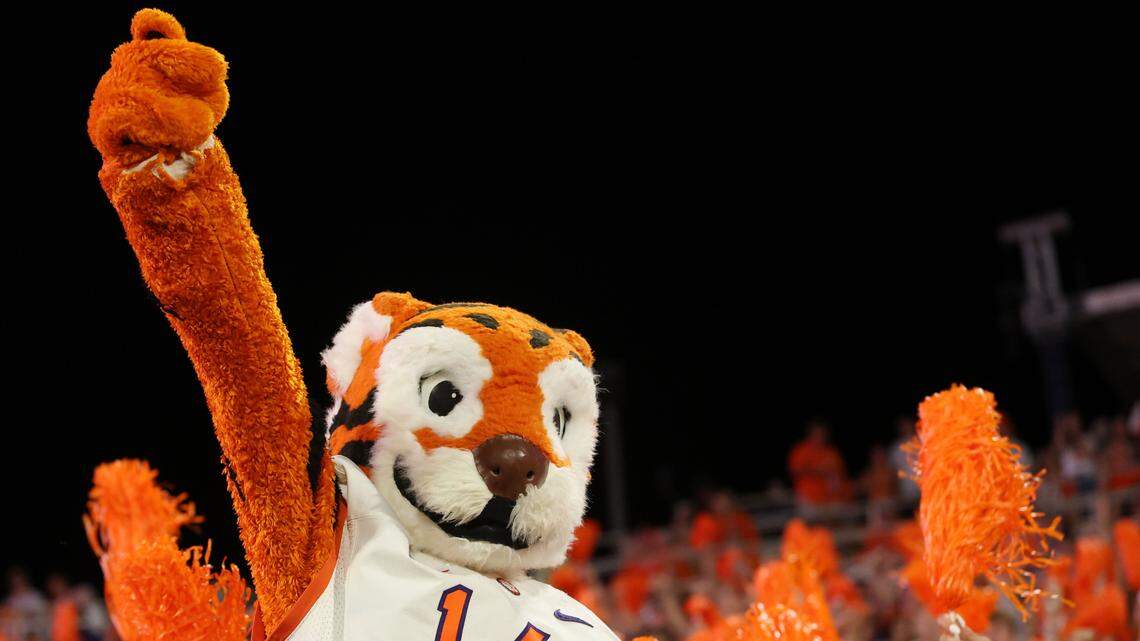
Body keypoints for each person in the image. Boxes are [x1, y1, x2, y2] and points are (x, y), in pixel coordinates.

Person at [788, 419, 849, 506]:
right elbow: (795, 470)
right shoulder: (801, 450)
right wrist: (819, 471)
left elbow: (840, 475)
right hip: (807, 496)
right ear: (810, 433)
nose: (819, 435)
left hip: (830, 498)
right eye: (816, 432)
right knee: (809, 518)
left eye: (822, 433)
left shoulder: (832, 453)